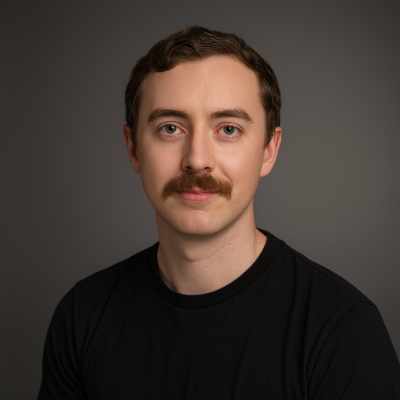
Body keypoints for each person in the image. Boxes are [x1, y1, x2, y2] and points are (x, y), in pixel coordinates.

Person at [37, 25, 400, 399]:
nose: (197, 160)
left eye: (228, 129)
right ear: (133, 148)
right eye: (170, 128)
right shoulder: (83, 315)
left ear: (269, 150)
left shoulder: (342, 329)